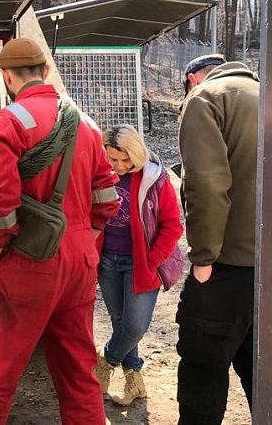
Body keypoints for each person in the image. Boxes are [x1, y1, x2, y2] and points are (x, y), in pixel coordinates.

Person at [0, 37, 121, 425]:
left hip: (28, 261)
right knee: (78, 373)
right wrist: (85, 239)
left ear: (5, 76)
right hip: (80, 260)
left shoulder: (10, 121)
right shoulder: (86, 122)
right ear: (46, 70)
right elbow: (107, 201)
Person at [175, 54, 260, 425]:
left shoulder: (207, 98)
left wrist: (204, 259)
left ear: (193, 78)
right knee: (266, 377)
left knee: (202, 378)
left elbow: (207, 184)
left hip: (225, 268)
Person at [95, 124, 184, 406]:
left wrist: (152, 259)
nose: (120, 166)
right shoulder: (97, 175)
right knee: (119, 321)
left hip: (142, 263)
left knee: (134, 326)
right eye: (113, 160)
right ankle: (134, 383)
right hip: (108, 260)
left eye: (126, 160)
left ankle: (105, 361)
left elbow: (172, 225)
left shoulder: (154, 178)